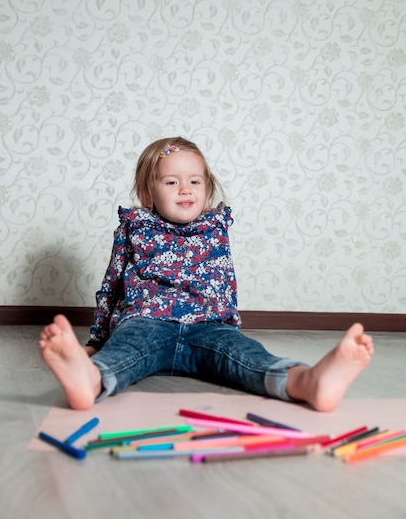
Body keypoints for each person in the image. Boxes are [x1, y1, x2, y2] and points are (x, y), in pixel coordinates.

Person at [39, 136, 374, 412]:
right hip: (146, 320)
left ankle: (309, 382)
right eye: (171, 182)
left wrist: (232, 330)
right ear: (147, 193)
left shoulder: (215, 227)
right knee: (124, 353)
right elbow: (111, 284)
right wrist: (98, 342)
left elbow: (226, 280)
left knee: (248, 359)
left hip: (208, 326)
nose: (185, 190)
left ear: (207, 188)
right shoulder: (135, 227)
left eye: (194, 181)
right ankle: (89, 380)